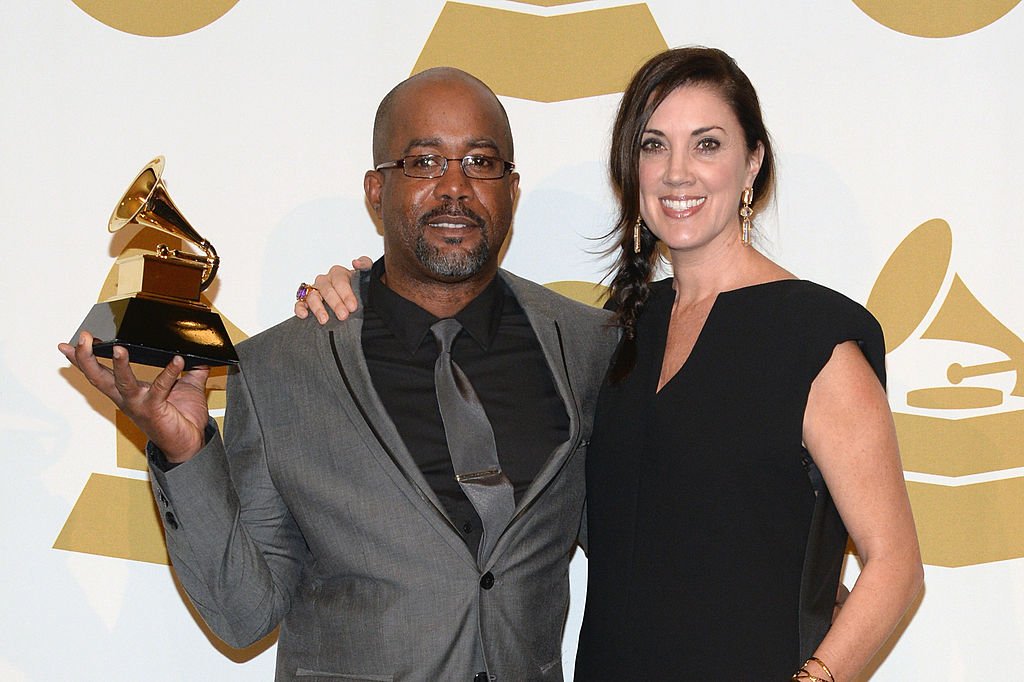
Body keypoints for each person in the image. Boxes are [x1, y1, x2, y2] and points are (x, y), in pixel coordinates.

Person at [299, 47, 924, 680]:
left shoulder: (815, 340)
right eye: (655, 146)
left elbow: (895, 565)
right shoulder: (618, 335)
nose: (678, 172)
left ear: (752, 162)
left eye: (706, 144)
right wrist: (361, 291)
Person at [60, 67, 617, 681]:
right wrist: (185, 452)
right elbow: (243, 615)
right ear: (376, 191)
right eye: (424, 163)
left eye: (480, 163)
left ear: (512, 188)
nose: (455, 188)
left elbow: (635, 553)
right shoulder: (280, 368)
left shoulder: (589, 346)